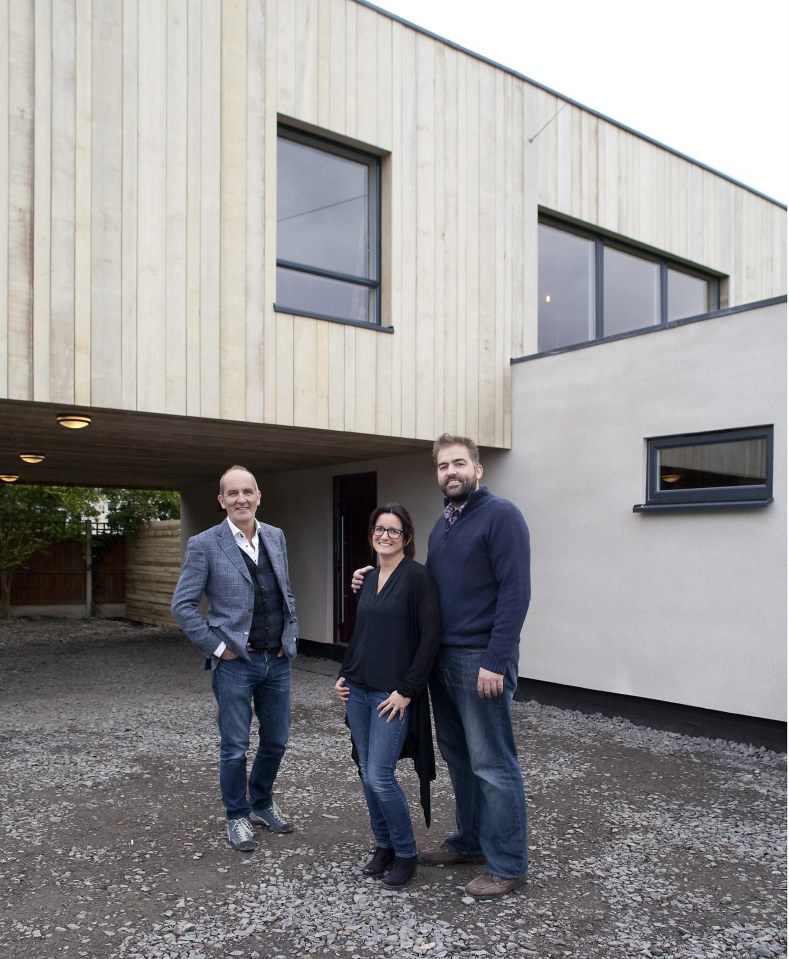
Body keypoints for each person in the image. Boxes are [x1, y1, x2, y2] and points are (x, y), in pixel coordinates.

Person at [353, 435, 531, 899]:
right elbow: (424, 586)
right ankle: (469, 841)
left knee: (493, 762)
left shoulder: (502, 516)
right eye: (443, 466)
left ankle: (508, 864)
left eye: (459, 464)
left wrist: (496, 659)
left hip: (479, 661)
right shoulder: (444, 526)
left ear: (478, 468)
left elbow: (516, 593)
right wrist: (377, 574)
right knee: (459, 759)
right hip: (443, 661)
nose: (450, 472)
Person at [171, 465, 299, 853]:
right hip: (235, 663)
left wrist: (289, 636)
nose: (241, 499)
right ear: (222, 501)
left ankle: (260, 803)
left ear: (258, 496)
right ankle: (237, 815)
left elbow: (285, 592)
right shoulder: (204, 544)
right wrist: (218, 648)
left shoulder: (275, 536)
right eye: (233, 493)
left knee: (276, 741)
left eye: (247, 492)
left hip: (276, 660)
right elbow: (183, 606)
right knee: (235, 746)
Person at [334, 503, 441, 889]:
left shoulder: (418, 579)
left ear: (407, 537)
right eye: (379, 529)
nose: (385, 536)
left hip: (390, 694)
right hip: (359, 690)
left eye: (393, 531)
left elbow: (430, 639)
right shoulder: (369, 577)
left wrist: (408, 691)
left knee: (381, 776)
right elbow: (362, 633)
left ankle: (407, 852)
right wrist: (344, 675)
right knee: (366, 773)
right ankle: (383, 846)